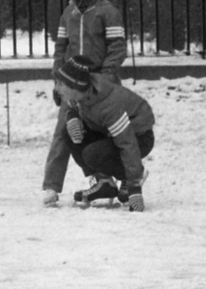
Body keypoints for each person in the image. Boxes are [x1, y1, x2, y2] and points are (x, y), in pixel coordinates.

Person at [41, 0, 126, 206]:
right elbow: (60, 50)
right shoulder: (68, 14)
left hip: (101, 86)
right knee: (64, 133)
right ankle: (51, 186)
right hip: (72, 86)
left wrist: (105, 79)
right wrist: (59, 81)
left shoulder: (107, 12)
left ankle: (125, 179)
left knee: (108, 134)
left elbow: (117, 49)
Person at [53, 55, 154, 211]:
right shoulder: (80, 93)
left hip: (139, 137)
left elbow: (127, 143)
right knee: (69, 133)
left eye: (60, 84)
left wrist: (134, 187)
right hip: (110, 134)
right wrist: (72, 117)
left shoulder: (109, 105)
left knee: (92, 154)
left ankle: (133, 177)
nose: (56, 89)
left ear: (74, 86)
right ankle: (105, 183)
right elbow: (73, 105)